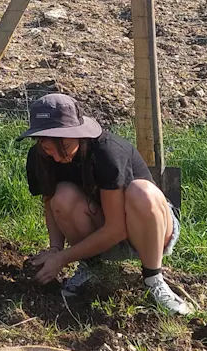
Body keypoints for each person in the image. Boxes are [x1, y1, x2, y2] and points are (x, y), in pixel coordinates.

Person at [19, 93, 190, 314]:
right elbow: (50, 204)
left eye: (64, 142)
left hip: (146, 230)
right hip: (101, 227)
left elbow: (117, 228)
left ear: (78, 135)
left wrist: (62, 259)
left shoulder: (107, 152)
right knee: (62, 195)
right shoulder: (39, 157)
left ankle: (153, 279)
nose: (54, 152)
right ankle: (92, 267)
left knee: (141, 192)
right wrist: (55, 249)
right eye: (46, 145)